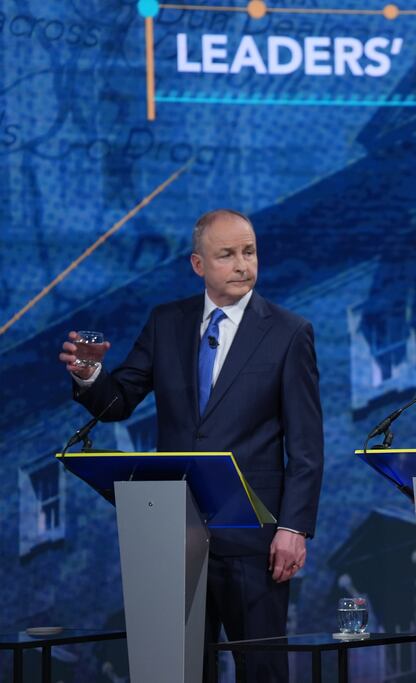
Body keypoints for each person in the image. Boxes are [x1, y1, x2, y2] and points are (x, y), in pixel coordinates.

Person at [58, 209, 324, 682]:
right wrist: (88, 375)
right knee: (175, 670)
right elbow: (119, 402)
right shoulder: (167, 323)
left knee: (261, 669)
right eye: (227, 255)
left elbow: (306, 444)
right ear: (198, 264)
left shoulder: (289, 332)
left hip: (253, 539)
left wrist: (295, 528)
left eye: (250, 251)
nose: (243, 264)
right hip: (175, 533)